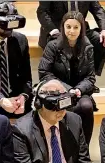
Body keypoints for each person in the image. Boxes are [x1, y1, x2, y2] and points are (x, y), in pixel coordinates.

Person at [39, 11, 96, 145]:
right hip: (57, 91)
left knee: (86, 106)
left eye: (76, 27)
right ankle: (66, 147)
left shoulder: (88, 47)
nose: (72, 31)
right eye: (68, 26)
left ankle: (84, 149)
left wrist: (78, 90)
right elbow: (44, 73)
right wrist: (66, 89)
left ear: (81, 29)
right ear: (62, 27)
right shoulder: (52, 46)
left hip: (79, 91)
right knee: (67, 106)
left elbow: (90, 77)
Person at [37, 1, 105, 76]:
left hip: (80, 30)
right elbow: (42, 12)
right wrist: (54, 31)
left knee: (101, 40)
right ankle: (59, 79)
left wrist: (104, 30)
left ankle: (89, 77)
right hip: (56, 30)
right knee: (57, 44)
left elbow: (98, 9)